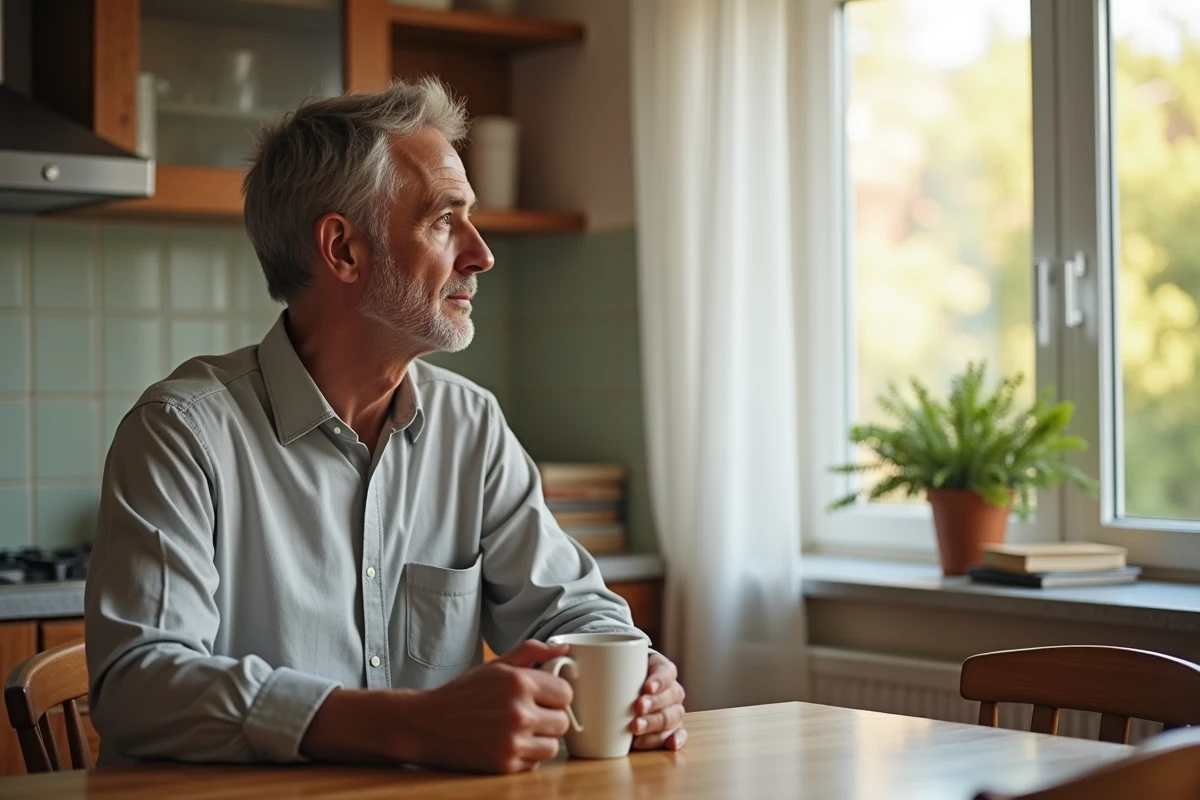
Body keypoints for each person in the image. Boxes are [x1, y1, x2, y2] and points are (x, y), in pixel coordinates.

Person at [84, 77, 685, 773]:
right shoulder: (181, 432)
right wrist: (410, 725)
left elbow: (573, 612)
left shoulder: (471, 425)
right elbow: (139, 686)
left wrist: (643, 678)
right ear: (342, 249)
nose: (481, 254)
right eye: (443, 219)